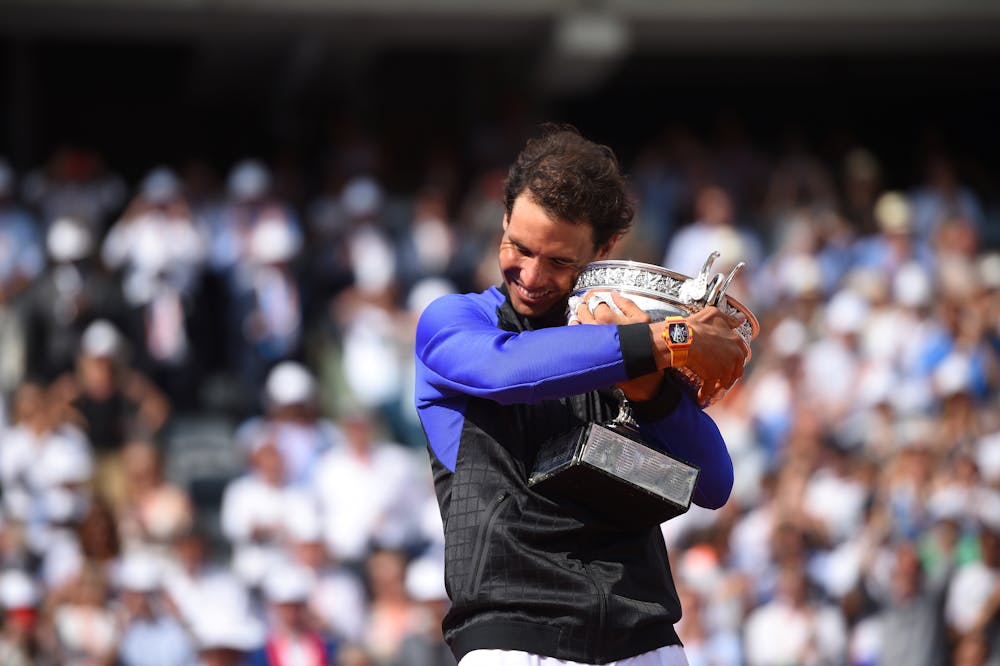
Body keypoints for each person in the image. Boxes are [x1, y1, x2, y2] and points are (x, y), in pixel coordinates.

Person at [413, 125, 748, 666]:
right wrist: (671, 340)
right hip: (516, 642)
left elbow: (712, 484)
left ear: (605, 249)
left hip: (647, 642)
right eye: (518, 247)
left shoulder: (629, 349)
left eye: (560, 261)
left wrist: (649, 387)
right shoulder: (457, 322)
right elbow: (506, 370)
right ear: (503, 218)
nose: (532, 276)